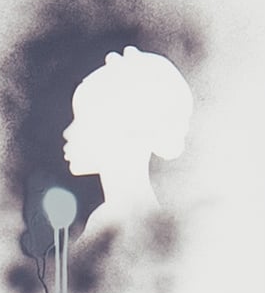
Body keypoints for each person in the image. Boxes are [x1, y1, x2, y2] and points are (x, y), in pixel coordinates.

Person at [58, 43, 194, 274]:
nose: (67, 132)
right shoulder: (110, 217)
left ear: (121, 131)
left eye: (83, 120)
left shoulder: (124, 224)